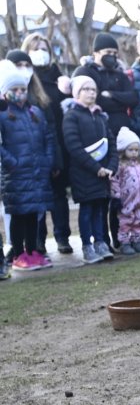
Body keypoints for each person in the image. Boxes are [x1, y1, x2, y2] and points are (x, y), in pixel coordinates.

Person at [72, 32, 138, 250]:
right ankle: (102, 241)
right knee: (102, 197)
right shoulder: (86, 72)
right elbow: (97, 99)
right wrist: (111, 98)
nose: (111, 56)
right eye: (107, 53)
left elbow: (132, 97)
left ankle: (121, 236)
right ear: (95, 53)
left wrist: (112, 95)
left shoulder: (120, 73)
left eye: (114, 53)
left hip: (123, 139)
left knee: (122, 195)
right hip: (98, 141)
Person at [0, 61, 55, 271]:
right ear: (6, 92)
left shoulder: (35, 113)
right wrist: (12, 162)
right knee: (18, 215)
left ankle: (33, 251)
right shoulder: (3, 116)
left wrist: (47, 160)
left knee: (34, 214)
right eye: (14, 90)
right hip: (16, 175)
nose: (20, 93)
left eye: (22, 89)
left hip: (36, 172)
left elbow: (48, 137)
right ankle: (18, 253)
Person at [21, 34, 73, 255]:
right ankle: (38, 241)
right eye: (36, 48)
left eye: (44, 48)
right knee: (38, 198)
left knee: (59, 195)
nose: (40, 52)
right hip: (33, 146)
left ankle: (63, 237)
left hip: (59, 143)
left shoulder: (58, 77)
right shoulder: (24, 80)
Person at [61, 75, 118, 264]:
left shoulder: (101, 116)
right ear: (77, 92)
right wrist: (96, 168)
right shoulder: (72, 116)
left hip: (102, 175)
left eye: (93, 90)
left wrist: (110, 167)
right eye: (86, 89)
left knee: (100, 210)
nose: (91, 93)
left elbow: (110, 142)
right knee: (86, 211)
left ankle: (100, 242)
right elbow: (74, 147)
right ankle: (87, 245)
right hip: (83, 174)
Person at [110, 127, 140, 255]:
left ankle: (137, 240)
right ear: (123, 150)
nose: (134, 152)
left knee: (139, 221)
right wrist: (116, 197)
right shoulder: (120, 165)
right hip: (126, 200)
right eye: (131, 150)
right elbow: (115, 181)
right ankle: (124, 243)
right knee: (125, 222)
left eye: (136, 150)